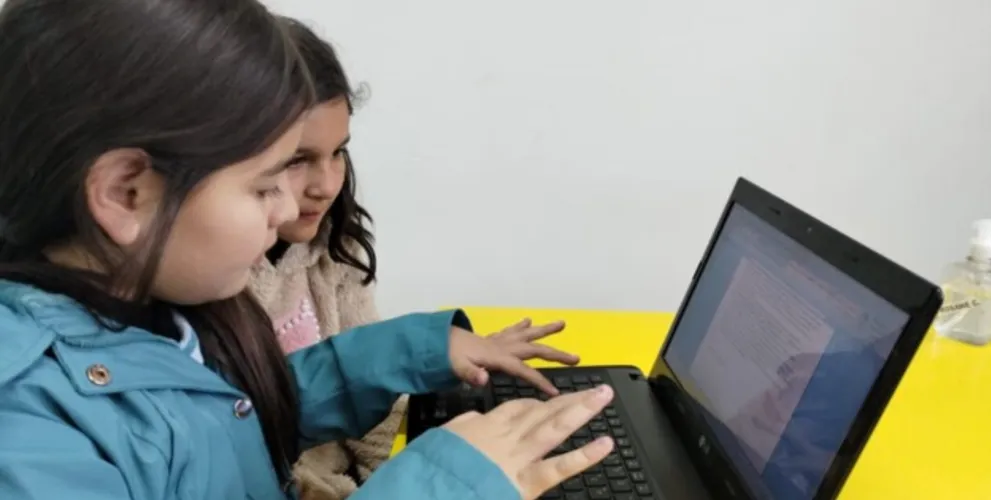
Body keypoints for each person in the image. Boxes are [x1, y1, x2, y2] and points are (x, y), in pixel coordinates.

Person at [0, 1, 614, 499]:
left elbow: (231, 420)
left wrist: (421, 349)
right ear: (125, 193)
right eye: (266, 184)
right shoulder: (25, 431)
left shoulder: (155, 306)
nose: (291, 210)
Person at [249, 18, 570, 499]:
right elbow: (245, 442)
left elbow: (362, 389)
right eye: (297, 159)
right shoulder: (206, 289)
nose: (326, 184)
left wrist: (400, 460)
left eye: (338, 153)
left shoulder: (336, 244)